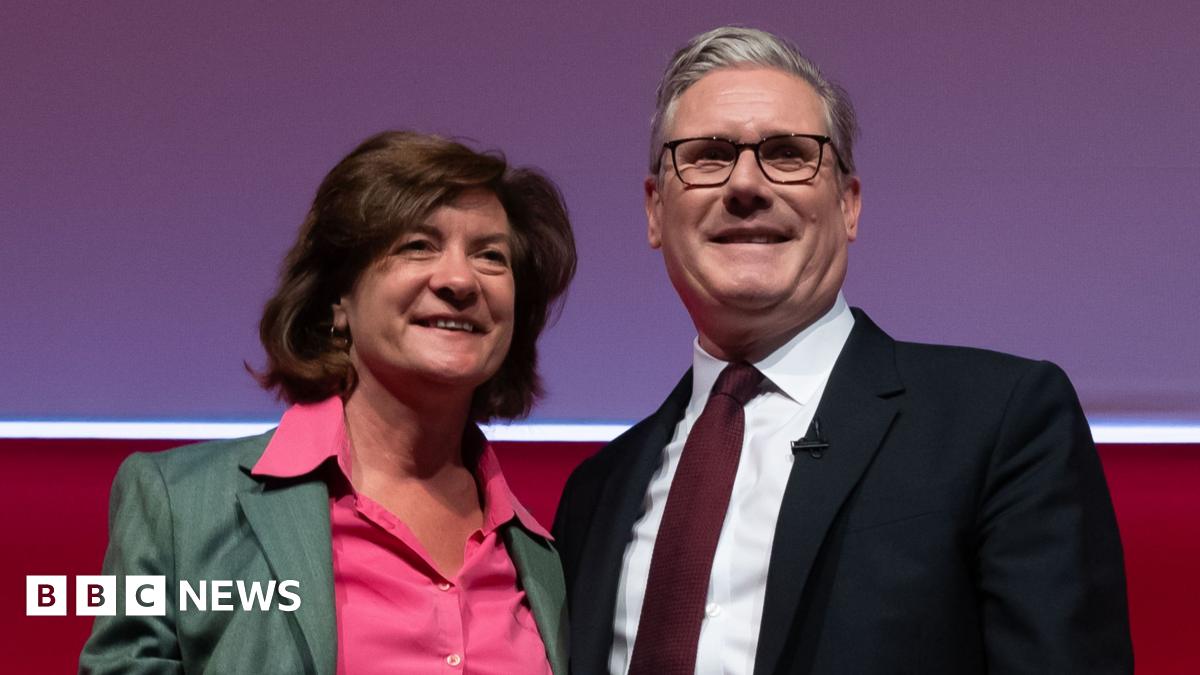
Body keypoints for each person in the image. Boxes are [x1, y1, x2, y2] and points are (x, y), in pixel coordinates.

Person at [553, 26, 1132, 675]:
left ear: (849, 204)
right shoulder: (594, 493)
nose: (746, 183)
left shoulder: (1000, 422)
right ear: (656, 211)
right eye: (709, 155)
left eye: (788, 153)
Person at [80, 130, 576, 674]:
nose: (459, 279)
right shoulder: (178, 504)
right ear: (339, 300)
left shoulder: (543, 557)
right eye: (417, 245)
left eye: (490, 256)